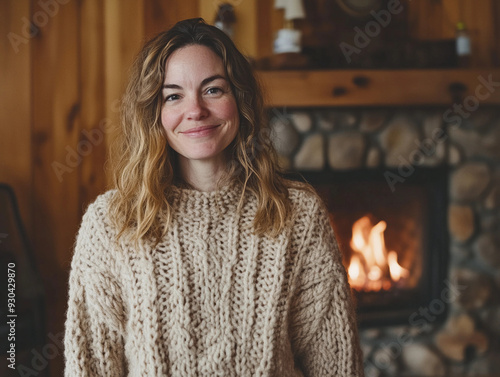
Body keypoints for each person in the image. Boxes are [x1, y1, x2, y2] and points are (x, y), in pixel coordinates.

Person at [64, 18, 364, 377]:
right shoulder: (110, 223)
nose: (195, 111)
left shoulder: (297, 213)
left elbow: (336, 364)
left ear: (239, 98)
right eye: (173, 96)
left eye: (213, 90)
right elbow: (91, 367)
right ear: (153, 114)